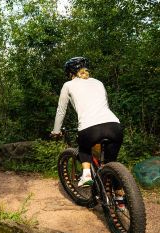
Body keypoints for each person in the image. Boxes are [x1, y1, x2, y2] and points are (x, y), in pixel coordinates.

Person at [51, 57, 124, 190]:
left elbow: (61, 111)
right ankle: (119, 200)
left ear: (70, 73)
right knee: (111, 164)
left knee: (84, 148)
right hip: (114, 126)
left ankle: (86, 175)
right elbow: (105, 103)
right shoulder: (98, 82)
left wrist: (56, 131)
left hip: (89, 128)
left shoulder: (68, 85)